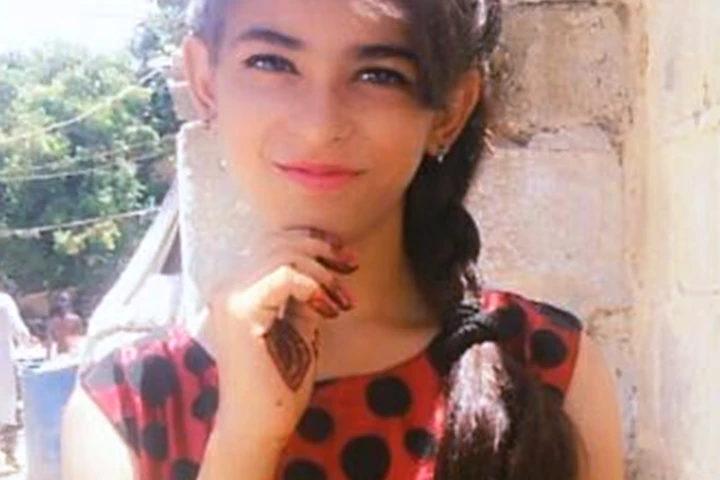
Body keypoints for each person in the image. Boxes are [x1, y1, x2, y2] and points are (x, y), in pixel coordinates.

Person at [61, 0, 625, 479]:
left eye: (379, 74)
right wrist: (244, 440)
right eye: (271, 62)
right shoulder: (125, 410)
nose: (319, 125)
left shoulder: (547, 366)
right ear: (206, 82)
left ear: (450, 111)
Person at [0, 290, 32, 470]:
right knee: (9, 410)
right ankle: (9, 453)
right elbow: (20, 330)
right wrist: (28, 344)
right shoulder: (4, 301)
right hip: (4, 365)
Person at [45, 292, 85, 359]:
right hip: (60, 354)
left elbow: (79, 337)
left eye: (63, 300)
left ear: (69, 302)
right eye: (59, 300)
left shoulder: (75, 319)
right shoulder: (53, 321)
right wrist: (48, 356)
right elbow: (49, 340)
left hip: (73, 353)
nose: (61, 303)